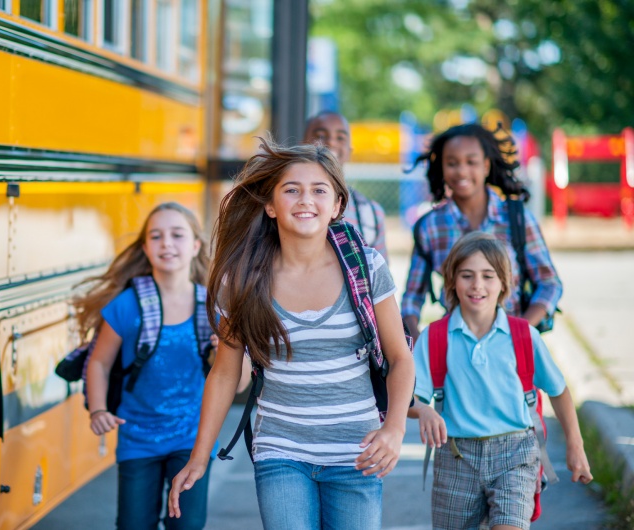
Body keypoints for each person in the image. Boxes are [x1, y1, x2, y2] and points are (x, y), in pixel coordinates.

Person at [167, 140, 415, 530]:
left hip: (357, 452)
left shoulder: (365, 267)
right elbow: (225, 373)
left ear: (336, 205)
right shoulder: (243, 279)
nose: (306, 199)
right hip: (281, 451)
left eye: (319, 190)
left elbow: (400, 358)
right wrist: (200, 457)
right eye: (292, 189)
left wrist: (395, 430)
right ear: (270, 205)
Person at [409, 232, 591, 529]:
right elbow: (409, 398)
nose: (477, 285)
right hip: (456, 458)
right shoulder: (435, 337)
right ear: (452, 281)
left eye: (488, 276)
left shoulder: (523, 335)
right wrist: (424, 410)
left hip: (516, 454)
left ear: (504, 283)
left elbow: (558, 390)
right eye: (466, 275)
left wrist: (576, 444)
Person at [82, 202, 233, 530]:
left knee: (186, 526)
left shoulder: (212, 308)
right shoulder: (127, 305)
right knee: (134, 525)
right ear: (146, 247)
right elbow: (99, 363)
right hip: (137, 439)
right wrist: (97, 410)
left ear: (195, 246)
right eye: (156, 236)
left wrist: (222, 353)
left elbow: (236, 382)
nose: (167, 243)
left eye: (177, 235)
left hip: (192, 440)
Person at [401, 123, 562, 341]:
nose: (462, 170)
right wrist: (419, 346)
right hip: (455, 350)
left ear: (486, 166)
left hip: (512, 351)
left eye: (471, 162)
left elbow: (549, 283)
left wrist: (519, 332)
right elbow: (412, 299)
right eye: (452, 163)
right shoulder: (429, 226)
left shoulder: (516, 218)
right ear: (441, 168)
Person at [303, 110, 389, 262]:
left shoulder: (371, 214)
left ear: (349, 151)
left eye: (340, 137)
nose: (332, 142)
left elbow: (380, 278)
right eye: (321, 135)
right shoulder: (285, 204)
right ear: (302, 144)